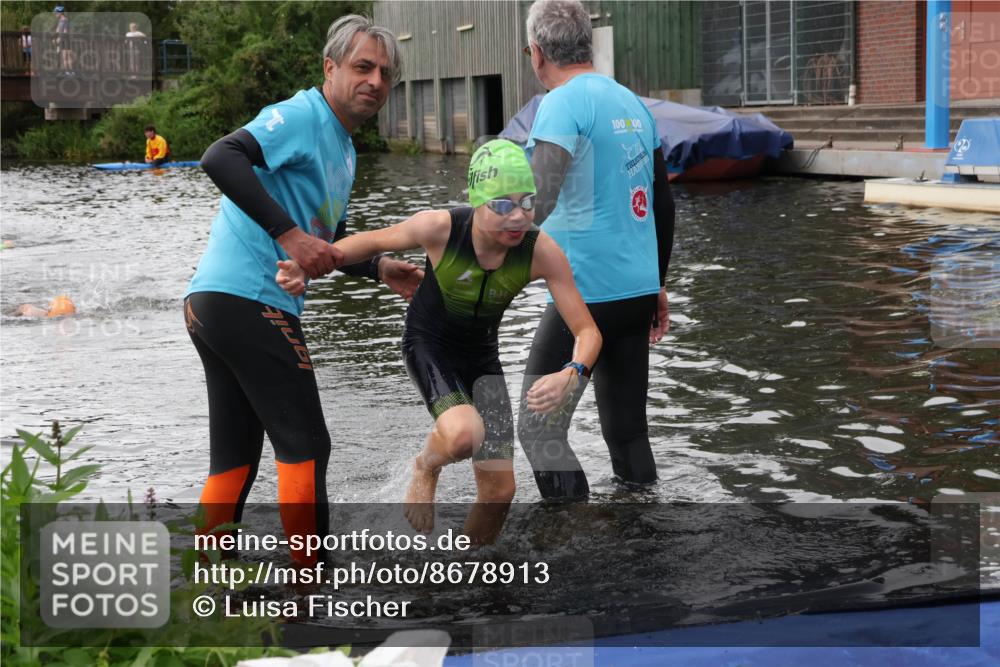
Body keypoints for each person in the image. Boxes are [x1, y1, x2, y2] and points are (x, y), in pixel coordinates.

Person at [276, 139, 601, 541]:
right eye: (503, 205)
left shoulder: (541, 251)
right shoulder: (441, 229)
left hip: (482, 359)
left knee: (500, 491)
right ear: (477, 201)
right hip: (429, 345)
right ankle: (425, 466)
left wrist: (572, 372)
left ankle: (472, 573)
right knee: (464, 434)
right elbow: (373, 241)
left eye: (528, 202)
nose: (518, 217)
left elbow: (588, 331)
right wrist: (307, 267)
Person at [184, 15, 419, 567]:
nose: (376, 82)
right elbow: (220, 156)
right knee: (307, 449)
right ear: (330, 67)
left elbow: (325, 240)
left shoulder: (343, 148)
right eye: (363, 67)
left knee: (234, 462)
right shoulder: (301, 115)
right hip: (248, 300)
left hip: (214, 306)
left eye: (386, 74)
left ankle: (205, 585)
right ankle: (308, 599)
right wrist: (286, 234)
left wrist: (379, 265)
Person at [517, 0, 676, 499]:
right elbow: (663, 204)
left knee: (537, 429)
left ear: (536, 53)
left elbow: (537, 201)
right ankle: (643, 538)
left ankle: (573, 532)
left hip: (584, 294)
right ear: (587, 41)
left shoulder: (561, 102)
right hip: (635, 292)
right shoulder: (632, 102)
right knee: (627, 431)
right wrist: (657, 283)